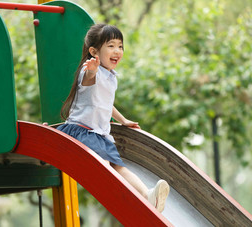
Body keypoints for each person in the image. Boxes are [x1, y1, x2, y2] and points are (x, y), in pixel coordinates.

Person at [57, 23, 170, 212]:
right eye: (110, 46)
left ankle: (147, 196)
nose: (117, 51)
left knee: (119, 166)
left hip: (99, 135)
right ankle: (126, 198)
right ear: (94, 51)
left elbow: (106, 103)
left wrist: (123, 120)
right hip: (82, 132)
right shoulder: (89, 72)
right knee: (104, 166)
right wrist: (92, 69)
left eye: (120, 46)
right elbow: (89, 80)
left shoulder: (111, 76)